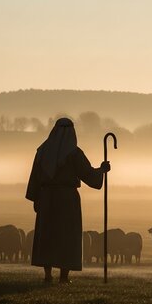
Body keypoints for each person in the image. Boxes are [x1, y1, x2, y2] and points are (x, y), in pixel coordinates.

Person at [26, 117, 110, 283]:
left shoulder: (42, 151)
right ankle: (64, 277)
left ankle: (48, 275)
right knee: (67, 235)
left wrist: (37, 198)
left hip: (47, 198)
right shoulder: (73, 153)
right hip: (67, 200)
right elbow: (88, 175)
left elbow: (35, 178)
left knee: (48, 234)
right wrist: (102, 170)